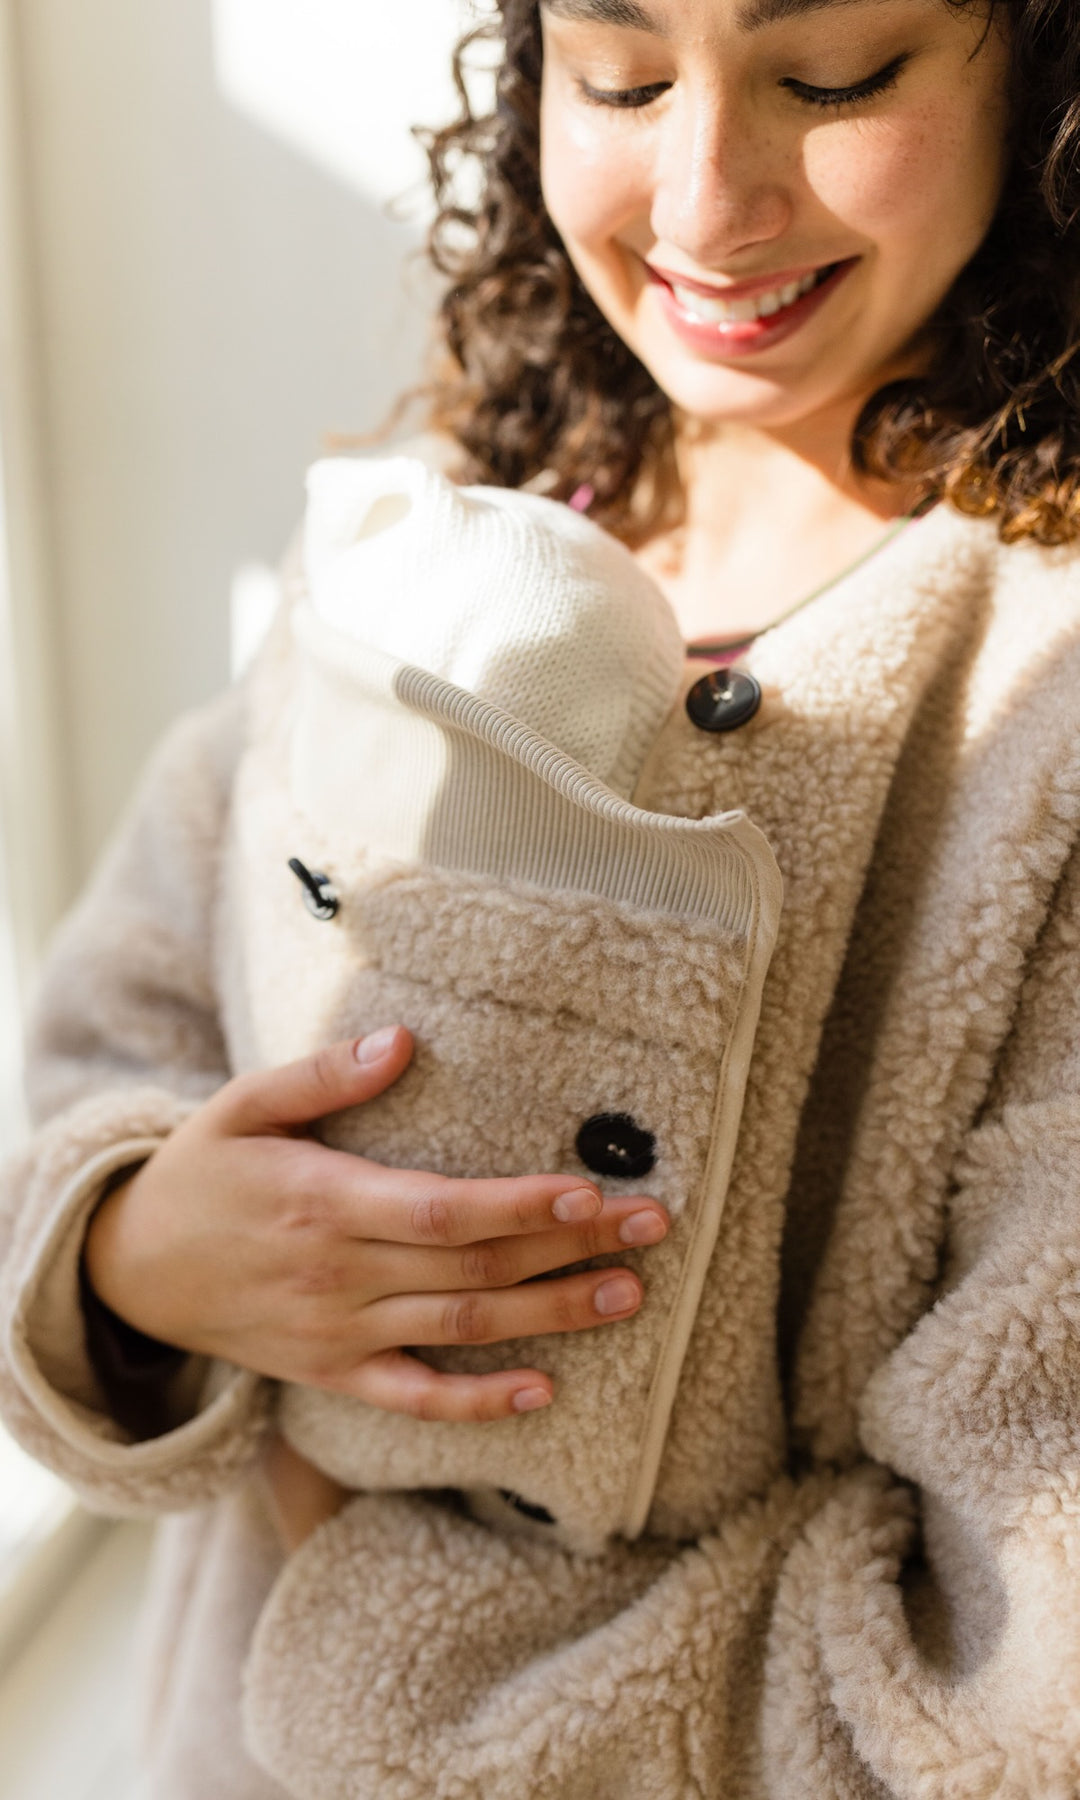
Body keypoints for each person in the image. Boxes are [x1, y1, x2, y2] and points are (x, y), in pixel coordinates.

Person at [2, 0, 1079, 1793]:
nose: (706, 200)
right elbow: (97, 1047)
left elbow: (1013, 1688)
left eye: (834, 76)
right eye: (625, 77)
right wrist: (129, 1255)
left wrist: (353, 1609)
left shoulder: (1035, 720)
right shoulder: (456, 535)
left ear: (1045, 74)